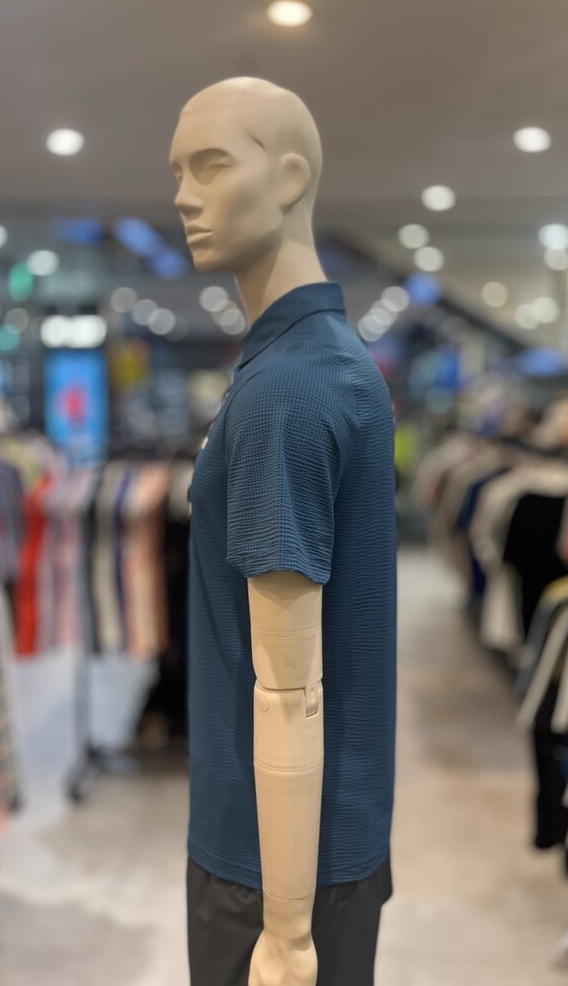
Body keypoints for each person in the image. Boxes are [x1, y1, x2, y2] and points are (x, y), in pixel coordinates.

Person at [169, 77, 397, 986]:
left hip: (269, 866)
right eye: (177, 173)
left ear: (292, 177)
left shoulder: (289, 390)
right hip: (311, 844)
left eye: (211, 165)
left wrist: (288, 932)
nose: (183, 196)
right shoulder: (316, 363)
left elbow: (288, 689)